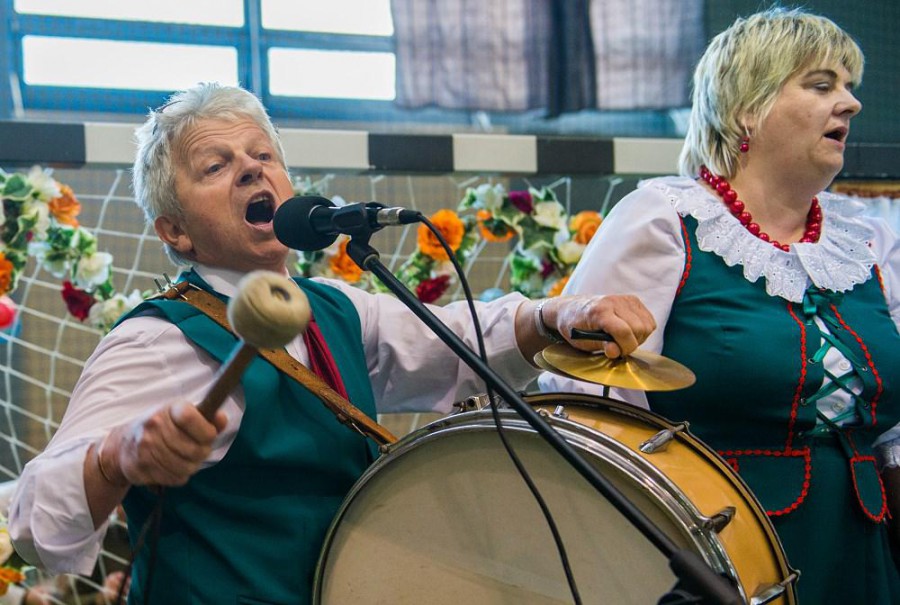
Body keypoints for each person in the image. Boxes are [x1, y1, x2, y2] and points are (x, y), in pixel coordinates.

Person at [6, 82, 655, 604]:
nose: (251, 169)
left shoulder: (334, 309)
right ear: (175, 231)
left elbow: (455, 337)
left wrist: (554, 313)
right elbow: (36, 519)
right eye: (216, 165)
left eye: (264, 155)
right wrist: (117, 456)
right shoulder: (154, 340)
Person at [540, 8, 900, 604]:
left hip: (864, 545)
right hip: (719, 551)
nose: (851, 103)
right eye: (821, 85)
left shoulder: (865, 238)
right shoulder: (664, 220)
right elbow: (592, 409)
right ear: (747, 108)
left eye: (848, 86)